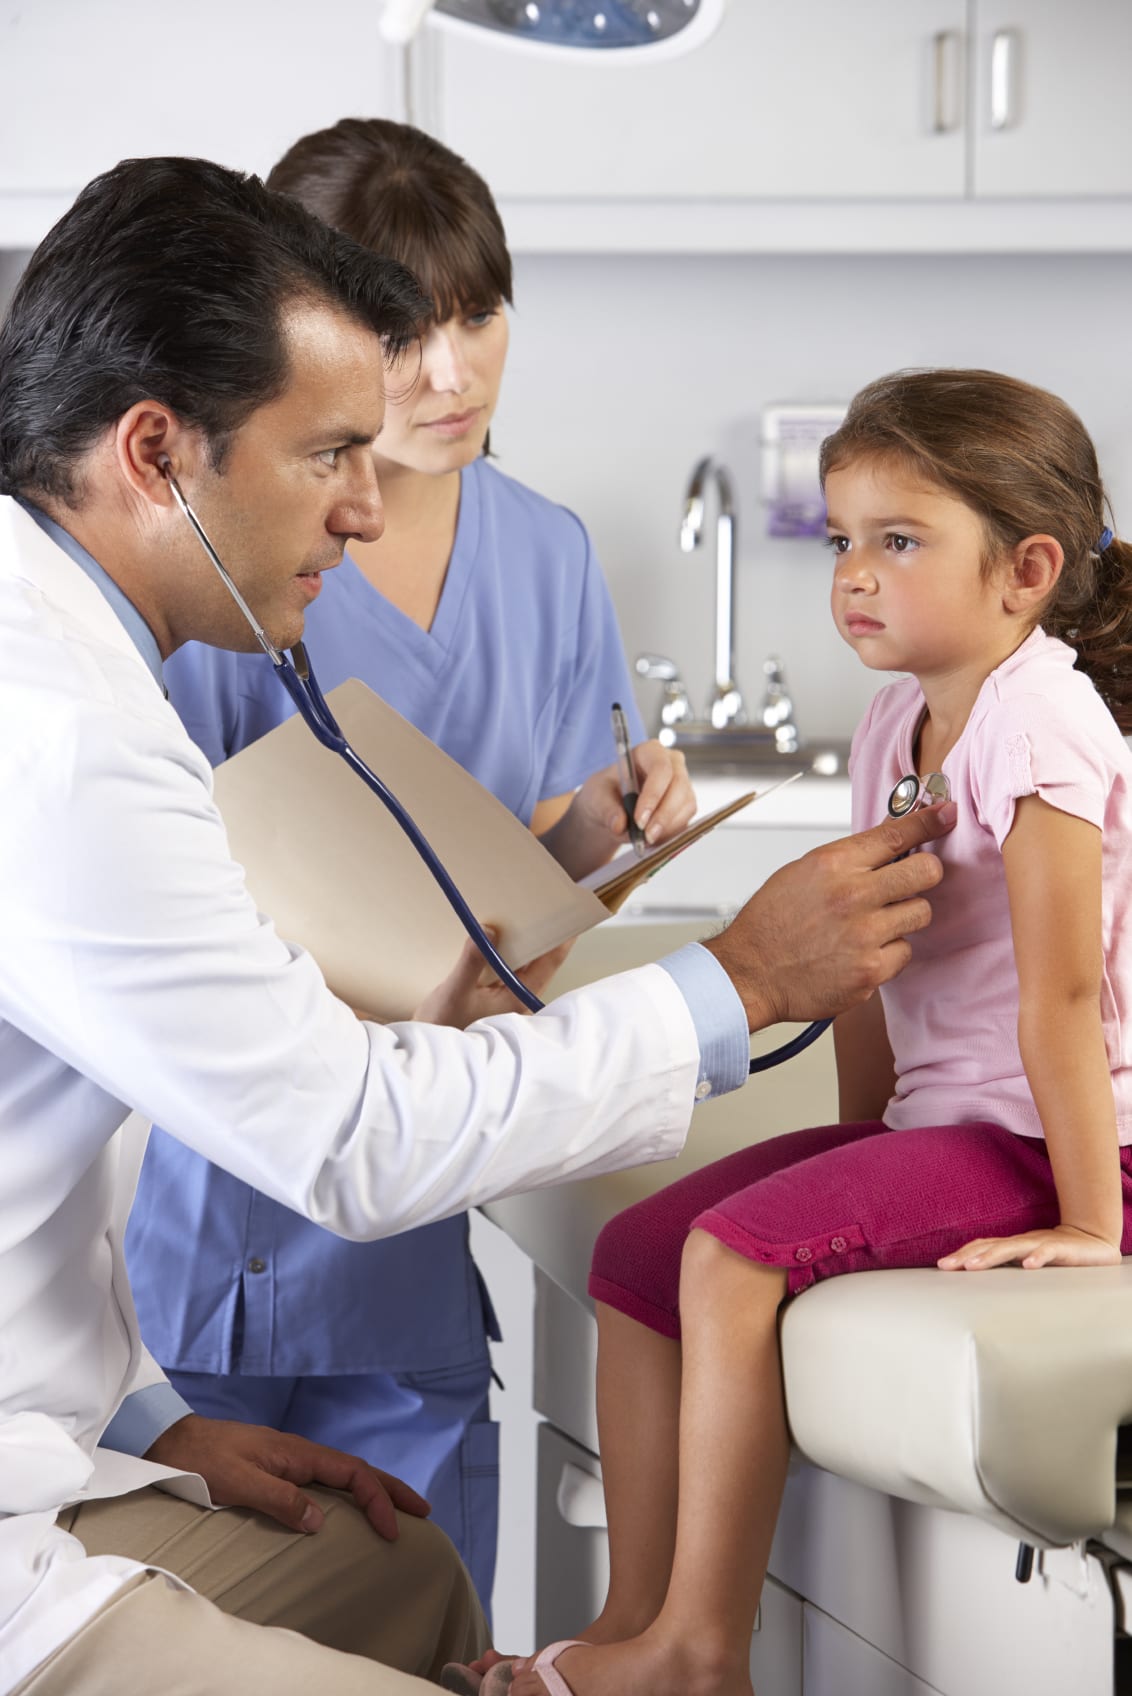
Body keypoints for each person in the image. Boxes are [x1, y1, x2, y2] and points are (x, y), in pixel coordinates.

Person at [0, 159, 950, 1696]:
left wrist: (138, 1421)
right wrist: (737, 984)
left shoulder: (78, 661)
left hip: (63, 1424)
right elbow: (349, 1129)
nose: (369, 507)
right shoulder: (60, 738)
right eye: (327, 454)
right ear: (158, 453)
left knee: (394, 1571)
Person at [473, 368, 1132, 1696]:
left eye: (900, 541)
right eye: (843, 542)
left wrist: (1091, 1225)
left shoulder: (1044, 718)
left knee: (730, 1258)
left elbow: (1065, 998)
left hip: (1056, 1140)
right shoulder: (897, 719)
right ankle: (632, 1626)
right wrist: (853, 1150)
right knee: (637, 1255)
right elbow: (871, 967)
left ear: (1027, 570)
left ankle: (703, 1654)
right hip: (953, 1129)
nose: (855, 577)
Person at [124, 119, 695, 1616]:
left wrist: (609, 833)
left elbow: (519, 876)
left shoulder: (550, 552)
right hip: (232, 1193)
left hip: (428, 1188)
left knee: (432, 1612)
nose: (451, 374)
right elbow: (165, 875)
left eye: (480, 315)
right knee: (206, 1621)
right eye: (405, 328)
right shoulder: (228, 547)